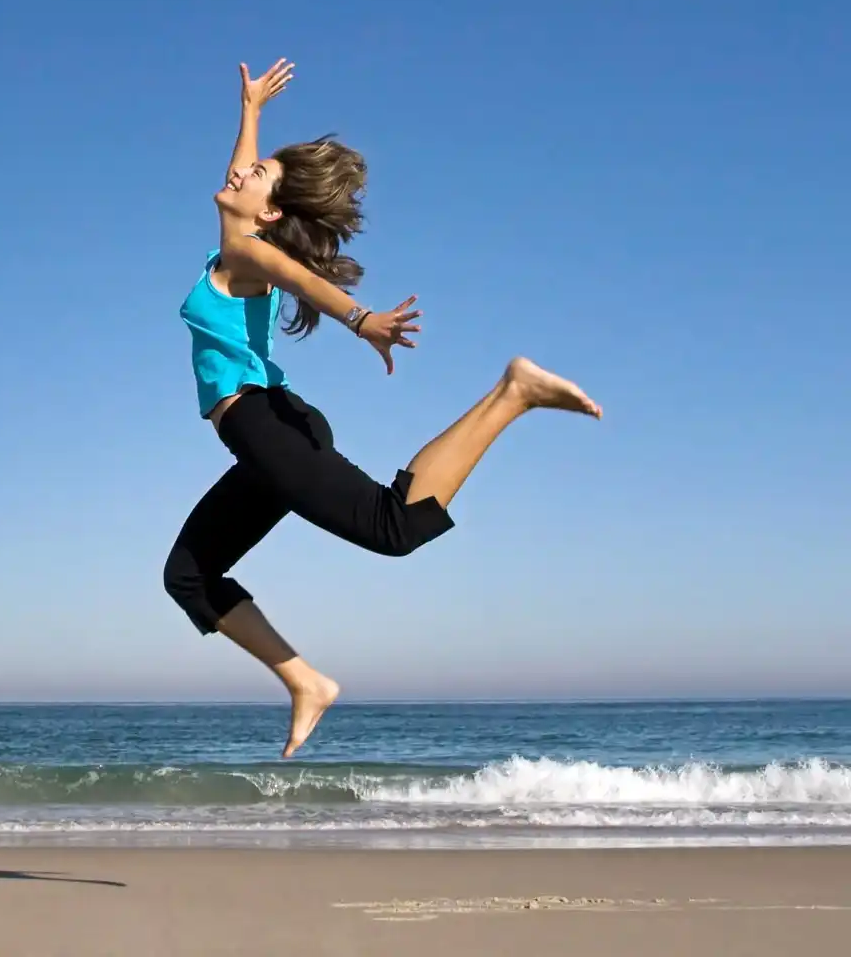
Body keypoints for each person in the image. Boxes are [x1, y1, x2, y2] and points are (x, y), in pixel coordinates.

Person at [165, 58, 601, 758]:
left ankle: (513, 394)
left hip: (266, 426)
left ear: (268, 212)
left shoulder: (249, 253)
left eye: (257, 177)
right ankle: (307, 683)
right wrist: (251, 111)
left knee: (393, 528)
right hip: (262, 434)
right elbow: (243, 171)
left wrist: (361, 319)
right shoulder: (237, 239)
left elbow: (298, 275)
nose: (240, 175)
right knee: (187, 576)